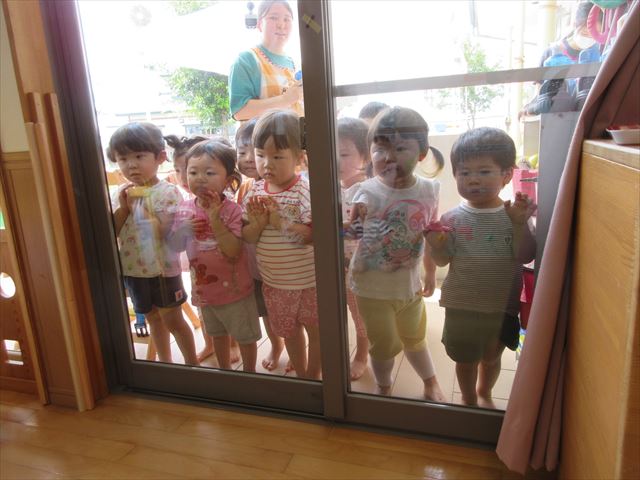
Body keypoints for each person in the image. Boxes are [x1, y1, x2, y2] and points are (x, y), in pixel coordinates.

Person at [426, 127, 536, 408]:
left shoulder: (514, 214)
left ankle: (485, 392)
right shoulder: (451, 219)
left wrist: (519, 224)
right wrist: (436, 245)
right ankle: (468, 398)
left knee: (491, 358)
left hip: (502, 307)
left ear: (507, 175)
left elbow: (525, 255)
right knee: (465, 360)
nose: (473, 179)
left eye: (484, 171)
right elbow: (442, 260)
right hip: (461, 305)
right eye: (464, 172)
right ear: (455, 176)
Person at [348, 107, 446, 401]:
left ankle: (430, 381)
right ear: (370, 153)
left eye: (400, 148)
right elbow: (351, 233)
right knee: (384, 346)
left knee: (415, 337)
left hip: (409, 285)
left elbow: (429, 233)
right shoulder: (366, 192)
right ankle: (384, 386)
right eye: (380, 149)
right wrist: (352, 223)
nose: (388, 157)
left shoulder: (429, 190)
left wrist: (430, 272)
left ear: (422, 153)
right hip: (371, 289)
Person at [108, 122, 198, 365]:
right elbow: (114, 231)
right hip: (134, 270)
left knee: (174, 320)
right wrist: (124, 208)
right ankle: (166, 363)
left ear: (159, 158)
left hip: (163, 271)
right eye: (123, 158)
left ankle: (192, 365)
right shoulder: (121, 193)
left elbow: (162, 233)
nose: (131, 164)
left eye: (139, 156)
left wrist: (140, 208)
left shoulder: (168, 192)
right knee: (153, 319)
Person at [169, 140, 261, 372]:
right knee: (217, 335)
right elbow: (176, 246)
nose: (200, 178)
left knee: (245, 337)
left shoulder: (232, 211)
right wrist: (182, 230)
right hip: (205, 291)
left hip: (236, 291)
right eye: (193, 172)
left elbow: (233, 251)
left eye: (209, 173)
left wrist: (215, 220)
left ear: (228, 180)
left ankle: (250, 374)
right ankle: (225, 371)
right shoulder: (184, 209)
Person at [242, 109, 319, 379]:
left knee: (316, 332)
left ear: (299, 158)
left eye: (277, 157)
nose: (267, 164)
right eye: (260, 155)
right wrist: (259, 223)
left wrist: (279, 222)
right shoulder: (254, 191)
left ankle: (313, 374)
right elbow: (248, 237)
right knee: (290, 332)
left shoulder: (304, 191)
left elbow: (311, 236)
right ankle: (302, 375)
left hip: (309, 282)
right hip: (275, 283)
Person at [235, 119, 288, 371]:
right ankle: (277, 345)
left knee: (289, 312)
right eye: (241, 152)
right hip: (256, 267)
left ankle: (295, 347)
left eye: (253, 152)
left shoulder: (283, 187)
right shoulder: (246, 187)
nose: (247, 159)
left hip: (283, 266)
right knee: (266, 311)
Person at [337, 117, 371, 380]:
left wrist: (332, 229)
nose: (336, 160)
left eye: (344, 154)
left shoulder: (368, 191)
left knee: (360, 315)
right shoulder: (330, 186)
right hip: (335, 264)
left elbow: (358, 231)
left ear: (366, 156)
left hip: (361, 269)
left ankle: (361, 355)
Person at [229, 0, 303, 121]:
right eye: (273, 18)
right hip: (265, 134)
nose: (281, 25)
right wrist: (285, 100)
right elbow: (240, 111)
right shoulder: (247, 60)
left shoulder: (296, 63)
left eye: (287, 19)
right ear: (259, 24)